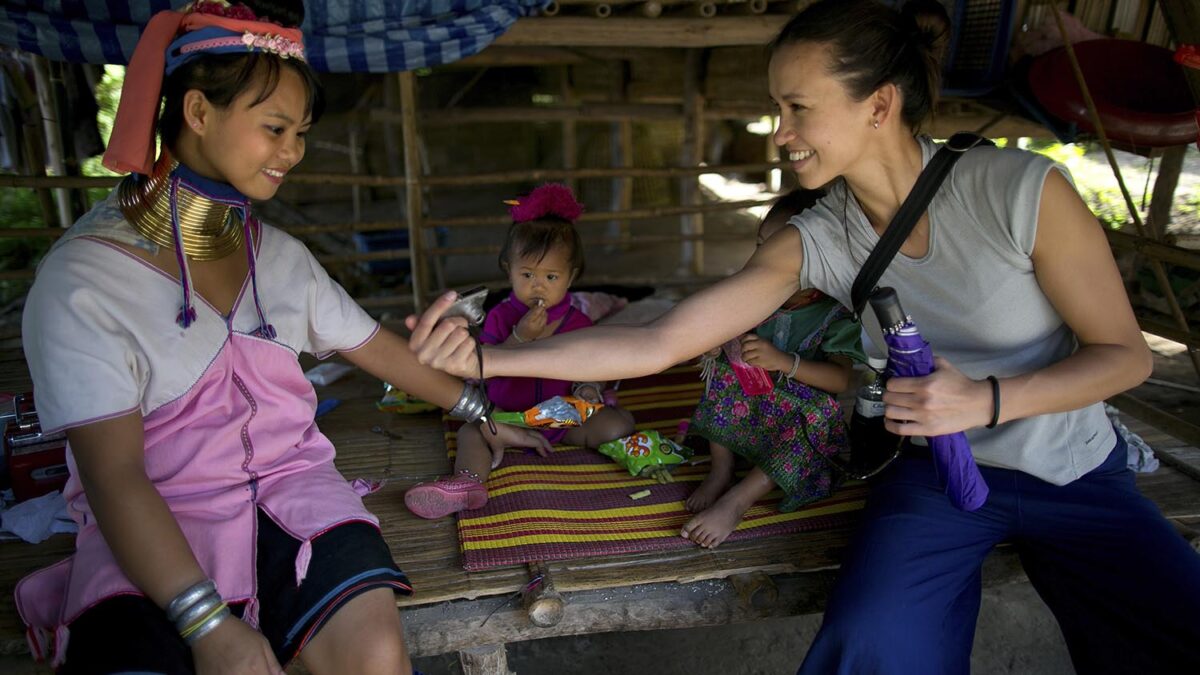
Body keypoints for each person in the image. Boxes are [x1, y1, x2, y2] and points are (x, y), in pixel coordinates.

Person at [405, 0, 1200, 671]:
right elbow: (663, 341)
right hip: (932, 479)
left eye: (797, 107)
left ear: (878, 105)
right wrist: (489, 355)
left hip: (1073, 468)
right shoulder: (820, 234)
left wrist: (984, 399)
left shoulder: (1018, 191)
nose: (779, 132)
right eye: (778, 109)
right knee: (870, 643)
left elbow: (1124, 356)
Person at [15, 2, 544, 673]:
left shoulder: (279, 257)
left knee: (376, 654)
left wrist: (480, 412)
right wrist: (209, 626)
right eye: (275, 128)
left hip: (296, 493)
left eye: (300, 131)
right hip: (155, 517)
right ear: (199, 113)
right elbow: (115, 473)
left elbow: (374, 347)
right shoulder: (83, 281)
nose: (293, 150)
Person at [405, 184, 635, 519]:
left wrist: (588, 389)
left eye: (551, 276)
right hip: (504, 415)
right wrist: (519, 336)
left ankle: (611, 433)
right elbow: (484, 367)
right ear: (507, 269)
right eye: (526, 274)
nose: (537, 285)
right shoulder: (499, 315)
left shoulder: (579, 321)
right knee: (471, 433)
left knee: (615, 426)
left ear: (571, 278)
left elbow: (591, 368)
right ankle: (467, 482)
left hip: (561, 423)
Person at [682, 189, 864, 549]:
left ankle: (739, 499)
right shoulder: (754, 292)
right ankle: (722, 469)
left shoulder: (835, 313)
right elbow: (718, 328)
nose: (761, 259)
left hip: (796, 419)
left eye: (778, 251)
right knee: (723, 364)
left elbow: (840, 380)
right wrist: (716, 343)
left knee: (821, 414)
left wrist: (784, 363)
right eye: (760, 244)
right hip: (753, 405)